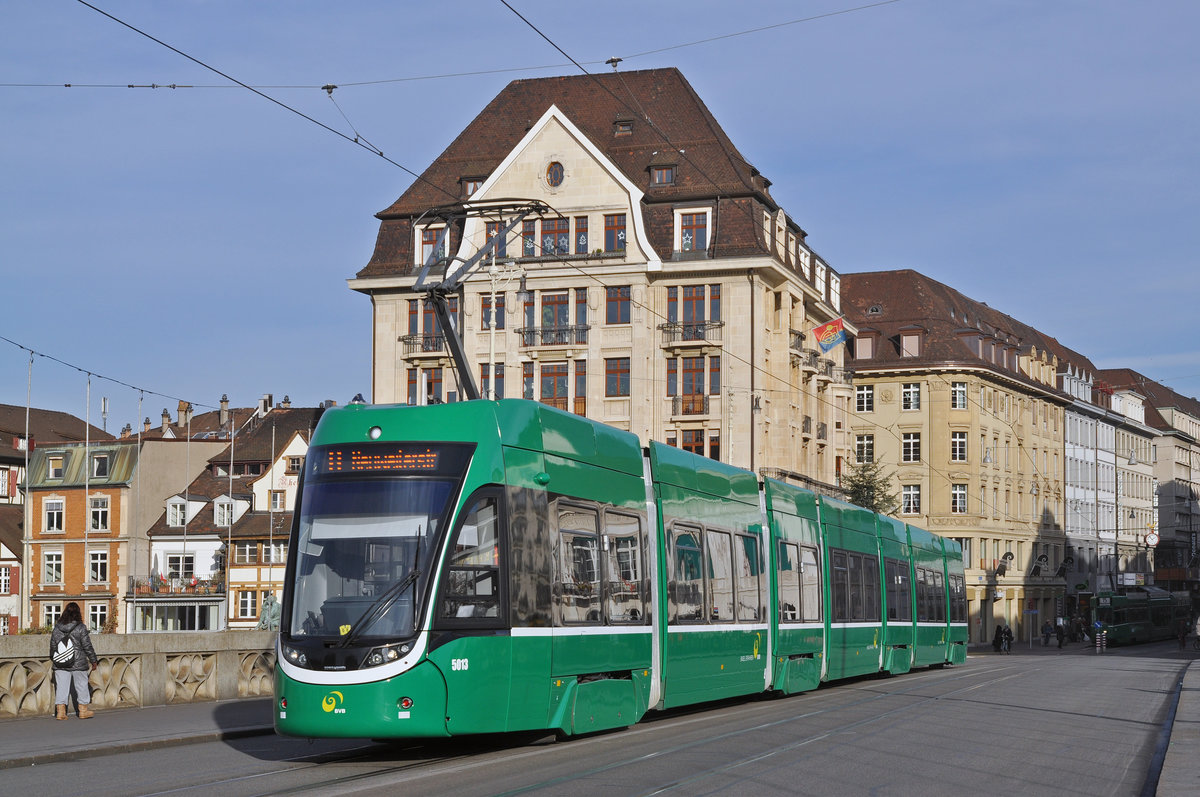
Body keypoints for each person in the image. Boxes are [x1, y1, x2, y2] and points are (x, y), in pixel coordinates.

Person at [50, 602, 99, 720]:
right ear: (78, 613)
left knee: (61, 687)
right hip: (78, 661)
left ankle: (61, 713)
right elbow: (87, 646)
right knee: (81, 685)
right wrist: (93, 660)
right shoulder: (81, 627)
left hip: (60, 662)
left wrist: (55, 658)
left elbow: (52, 645)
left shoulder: (57, 627)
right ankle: (83, 711)